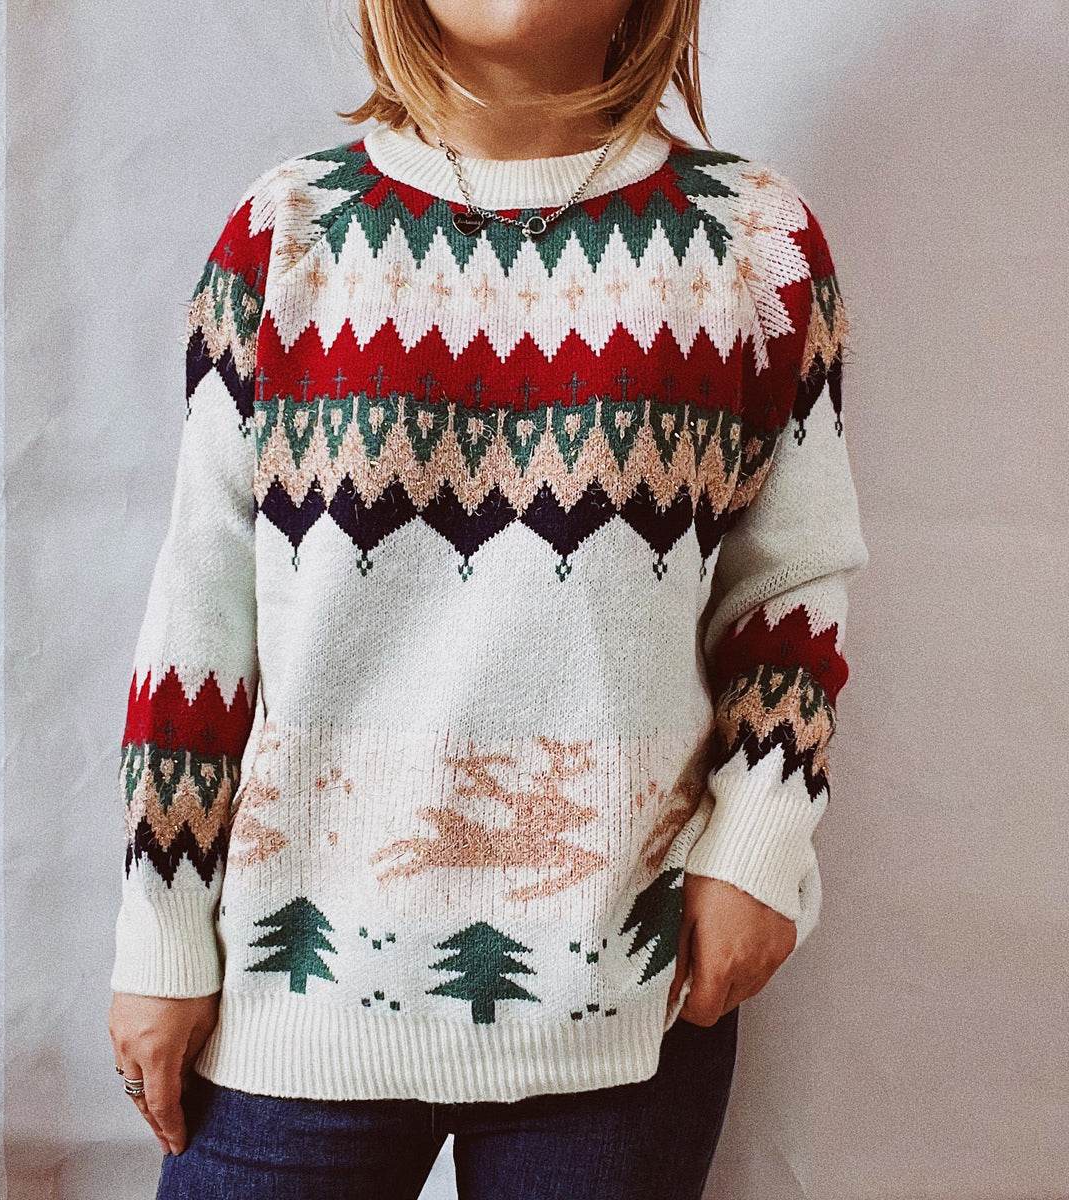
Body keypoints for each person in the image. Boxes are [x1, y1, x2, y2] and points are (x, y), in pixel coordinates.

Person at [107, 1, 870, 1196]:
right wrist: (161, 929)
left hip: (628, 990)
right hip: (289, 983)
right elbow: (200, 617)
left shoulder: (753, 246)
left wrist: (759, 850)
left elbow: (790, 595)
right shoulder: (288, 235)